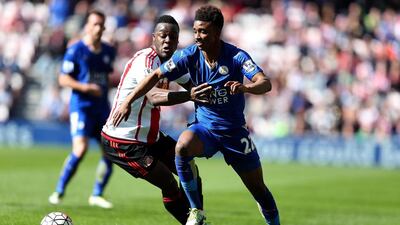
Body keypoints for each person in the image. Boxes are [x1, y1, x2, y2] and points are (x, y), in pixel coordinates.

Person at [112, 5, 280, 225]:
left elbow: (264, 83)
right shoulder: (189, 55)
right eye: (195, 31)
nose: (198, 37)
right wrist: (128, 100)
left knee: (259, 190)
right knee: (182, 146)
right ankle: (196, 210)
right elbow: (155, 75)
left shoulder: (237, 56)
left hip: (234, 133)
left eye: (204, 31)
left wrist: (245, 88)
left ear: (217, 32)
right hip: (205, 130)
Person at [101, 15, 210, 224]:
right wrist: (190, 95)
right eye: (163, 36)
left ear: (178, 41)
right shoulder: (146, 61)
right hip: (123, 140)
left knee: (189, 166)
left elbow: (194, 86)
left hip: (149, 137)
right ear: (154, 38)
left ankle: (198, 216)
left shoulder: (172, 62)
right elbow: (154, 96)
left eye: (172, 37)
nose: (167, 40)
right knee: (168, 183)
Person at [49, 10, 115, 209]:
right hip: (82, 107)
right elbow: (63, 78)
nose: (98, 28)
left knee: (110, 151)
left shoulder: (108, 51)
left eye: (101, 25)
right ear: (87, 26)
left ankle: (97, 194)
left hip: (102, 108)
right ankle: (59, 190)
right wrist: (85, 87)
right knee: (81, 148)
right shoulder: (76, 50)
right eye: (94, 24)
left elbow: (106, 77)